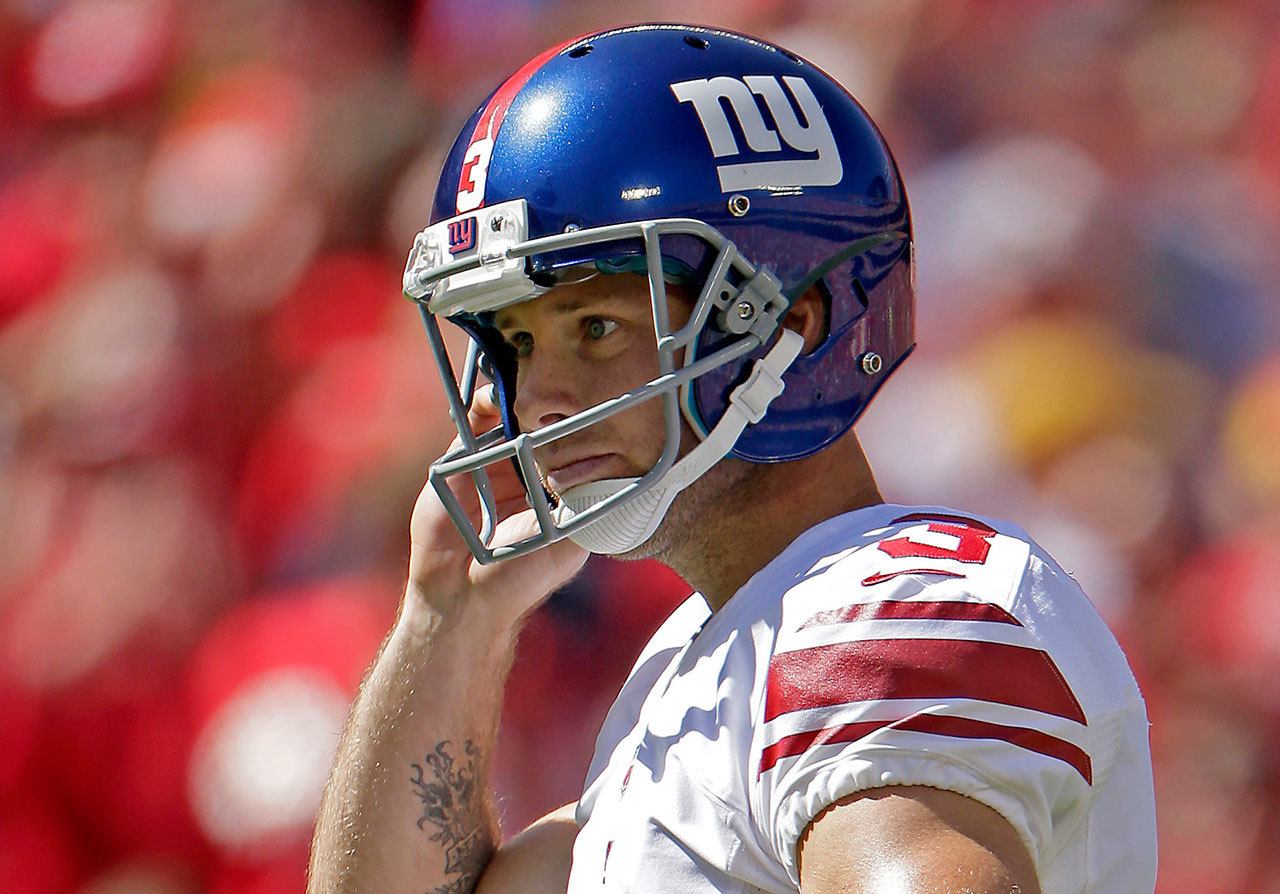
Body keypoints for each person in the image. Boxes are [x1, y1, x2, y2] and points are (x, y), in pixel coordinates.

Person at [308, 23, 1157, 894]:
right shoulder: (705, 658)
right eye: (519, 343)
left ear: (789, 329)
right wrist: (449, 620)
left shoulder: (879, 612)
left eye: (596, 328)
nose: (536, 401)